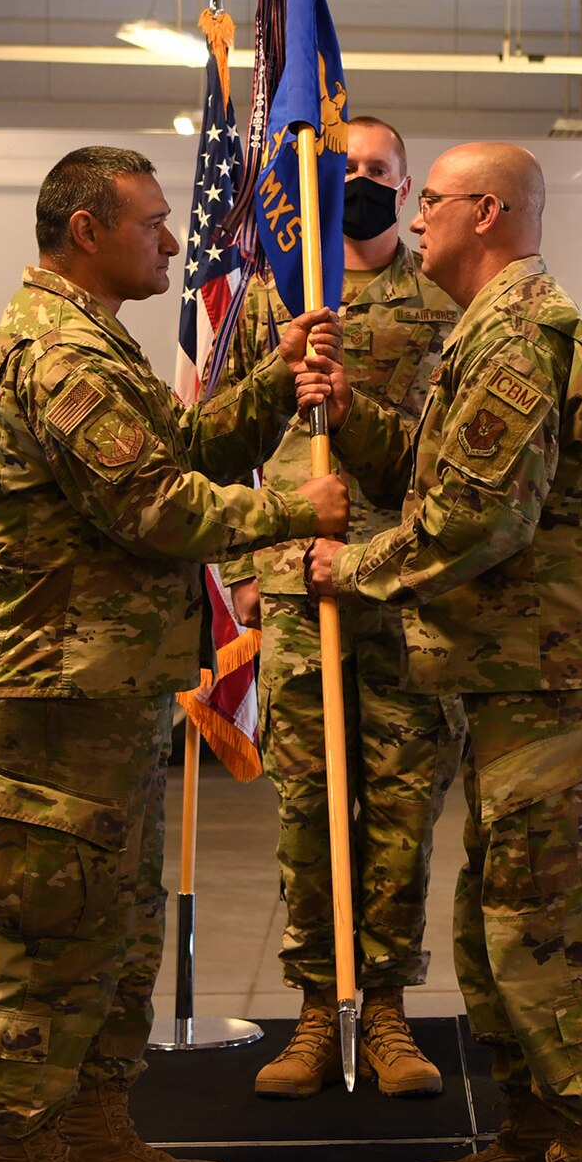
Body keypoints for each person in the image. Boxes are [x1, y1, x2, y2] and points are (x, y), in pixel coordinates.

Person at [0, 145, 347, 1162]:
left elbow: (187, 445)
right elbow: (159, 508)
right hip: (55, 690)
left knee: (116, 926)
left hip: (102, 684)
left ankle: (92, 1129)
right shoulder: (58, 354)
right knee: (50, 932)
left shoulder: (95, 340)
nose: (174, 242)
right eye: (152, 223)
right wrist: (293, 512)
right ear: (86, 230)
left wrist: (274, 379)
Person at [304, 142, 582, 1162]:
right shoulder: (485, 330)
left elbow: (477, 520)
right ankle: (531, 1133)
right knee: (492, 919)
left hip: (557, 676)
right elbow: (437, 472)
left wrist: (351, 568)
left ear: (487, 211)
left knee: (545, 922)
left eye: (434, 202)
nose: (415, 219)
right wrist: (350, 412)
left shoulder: (520, 335)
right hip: (519, 677)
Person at [219, 116, 466, 1100]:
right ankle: (320, 1008)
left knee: (402, 810)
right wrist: (242, 559)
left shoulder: (444, 302)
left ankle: (389, 1010)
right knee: (308, 809)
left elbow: (452, 455)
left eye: (376, 169)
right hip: (297, 587)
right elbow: (223, 429)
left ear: (405, 188)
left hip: (404, 587)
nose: (357, 179)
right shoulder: (277, 295)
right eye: (342, 164)